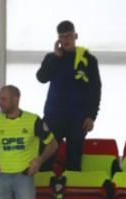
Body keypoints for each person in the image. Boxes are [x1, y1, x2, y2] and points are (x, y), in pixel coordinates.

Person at [36, 20, 102, 171]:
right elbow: (41, 78)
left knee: (74, 160)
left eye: (69, 36)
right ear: (58, 39)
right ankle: (45, 193)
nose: (66, 40)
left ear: (75, 36)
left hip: (78, 118)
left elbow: (95, 90)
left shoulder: (89, 60)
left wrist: (91, 116)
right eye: (62, 37)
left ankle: (73, 193)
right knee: (46, 158)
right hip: (54, 116)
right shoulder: (52, 58)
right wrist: (55, 57)